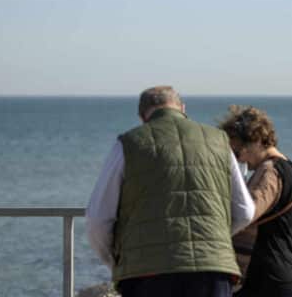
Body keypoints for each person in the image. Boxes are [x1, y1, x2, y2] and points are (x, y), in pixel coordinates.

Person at [85, 86, 255, 297]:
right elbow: (246, 210)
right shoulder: (219, 141)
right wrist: (213, 240)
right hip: (213, 269)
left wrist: (115, 261)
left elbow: (98, 218)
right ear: (182, 108)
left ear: (142, 116)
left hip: (147, 272)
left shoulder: (128, 144)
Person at [219, 106, 292, 297]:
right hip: (286, 269)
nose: (238, 159)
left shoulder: (270, 172)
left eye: (238, 151)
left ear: (256, 141)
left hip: (267, 276)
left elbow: (246, 213)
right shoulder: (291, 168)